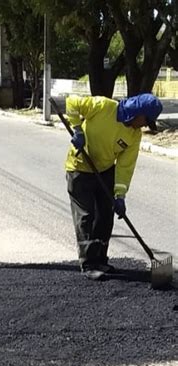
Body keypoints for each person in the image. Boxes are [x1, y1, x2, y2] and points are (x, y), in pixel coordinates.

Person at [65, 93, 163, 280]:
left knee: (105, 216)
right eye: (145, 120)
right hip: (79, 168)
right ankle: (88, 263)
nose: (144, 125)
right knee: (86, 216)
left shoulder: (134, 135)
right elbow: (71, 102)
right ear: (137, 112)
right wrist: (78, 129)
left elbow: (125, 167)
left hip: (105, 171)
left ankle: (100, 259)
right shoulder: (103, 106)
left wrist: (120, 195)